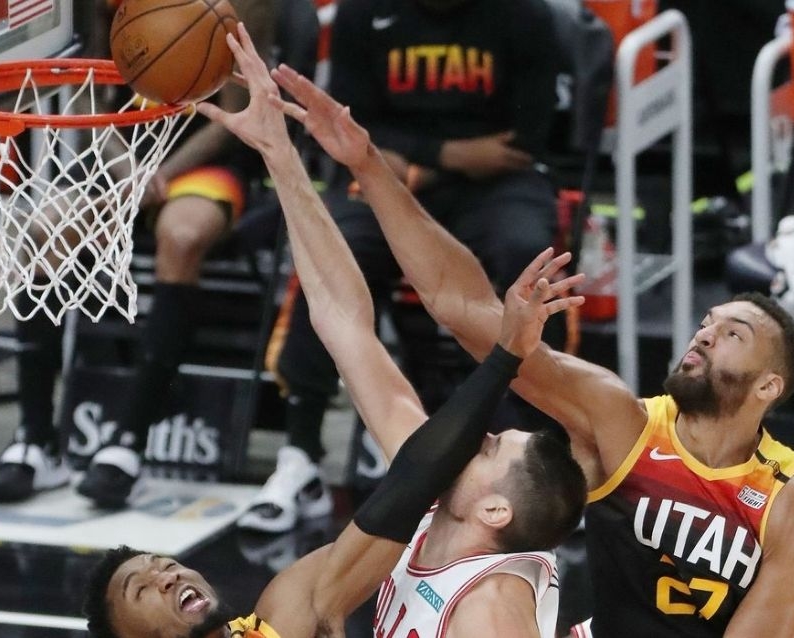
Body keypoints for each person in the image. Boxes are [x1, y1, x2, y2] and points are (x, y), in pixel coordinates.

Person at [0, 25, 586, 638]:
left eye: (487, 445)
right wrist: (281, 155)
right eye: (147, 584)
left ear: (492, 509)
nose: (168, 574)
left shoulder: (481, 604)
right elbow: (347, 329)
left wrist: (505, 357)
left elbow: (410, 466)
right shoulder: (390, 544)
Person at [265, 55, 794, 637]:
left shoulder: (787, 497)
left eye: (733, 334)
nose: (705, 332)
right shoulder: (624, 423)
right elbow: (461, 307)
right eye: (707, 320)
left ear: (769, 385)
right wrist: (366, 163)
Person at [240, 0, 565, 533]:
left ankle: (538, 450)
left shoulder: (525, 15)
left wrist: (412, 163)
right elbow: (353, 129)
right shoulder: (362, 12)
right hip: (382, 173)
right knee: (332, 251)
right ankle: (300, 457)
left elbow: (525, 140)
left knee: (527, 253)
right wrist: (449, 157)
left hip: (495, 185)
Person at [0, 0, 283, 508]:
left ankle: (128, 444)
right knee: (43, 231)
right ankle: (36, 440)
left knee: (181, 236)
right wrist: (129, 171)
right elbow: (82, 97)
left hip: (204, 163)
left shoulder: (232, 6)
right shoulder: (106, 7)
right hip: (121, 162)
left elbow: (232, 115)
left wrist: (160, 175)